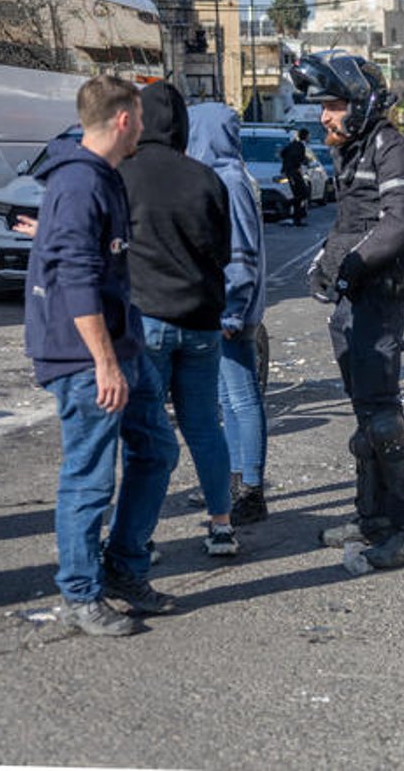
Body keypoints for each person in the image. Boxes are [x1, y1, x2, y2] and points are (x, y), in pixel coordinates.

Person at [24, 74, 182, 636]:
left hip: (122, 344)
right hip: (85, 358)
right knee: (90, 477)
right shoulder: (80, 183)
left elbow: (81, 251)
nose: (143, 125)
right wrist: (104, 364)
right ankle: (80, 592)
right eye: (138, 116)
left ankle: (123, 569)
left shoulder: (101, 177)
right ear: (122, 119)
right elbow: (75, 280)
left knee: (157, 452)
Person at [290, 50, 404, 570]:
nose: (324, 116)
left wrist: (349, 267)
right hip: (353, 301)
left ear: (361, 102)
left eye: (332, 104)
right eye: (322, 106)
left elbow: (397, 225)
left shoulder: (394, 151)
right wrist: (323, 266)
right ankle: (371, 517)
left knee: (382, 417)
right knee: (364, 416)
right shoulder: (353, 150)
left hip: (380, 299)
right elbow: (351, 223)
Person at [119, 83, 238, 557]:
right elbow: (223, 253)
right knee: (205, 425)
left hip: (146, 321)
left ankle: (140, 537)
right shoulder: (206, 178)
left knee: (146, 435)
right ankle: (222, 526)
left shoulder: (122, 176)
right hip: (202, 322)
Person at [187, 102, 270, 525]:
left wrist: (233, 311)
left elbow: (241, 257)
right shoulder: (223, 175)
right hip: (224, 308)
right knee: (227, 398)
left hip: (232, 311)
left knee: (241, 396)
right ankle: (237, 480)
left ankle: (251, 488)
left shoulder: (229, 180)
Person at [279, 128, 311, 226]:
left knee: (299, 194)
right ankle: (287, 204)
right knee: (302, 193)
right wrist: (301, 162)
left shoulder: (294, 144)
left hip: (292, 172)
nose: (309, 138)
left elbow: (282, 153)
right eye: (308, 136)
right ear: (305, 136)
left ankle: (297, 219)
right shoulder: (299, 145)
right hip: (293, 172)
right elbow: (296, 157)